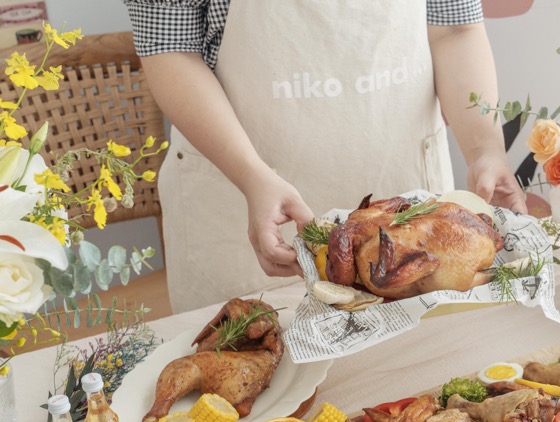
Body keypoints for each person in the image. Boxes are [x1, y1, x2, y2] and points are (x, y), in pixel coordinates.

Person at [124, 0, 526, 312]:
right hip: (240, 196)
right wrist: (251, 175)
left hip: (408, 209)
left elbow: (454, 28)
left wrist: (484, 148)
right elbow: (171, 49)